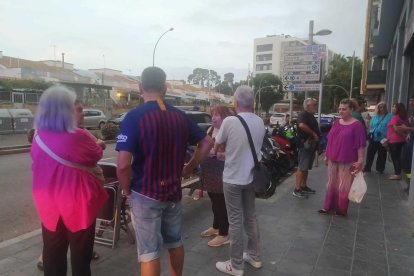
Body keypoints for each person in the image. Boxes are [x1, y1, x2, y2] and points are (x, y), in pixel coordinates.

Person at [116, 67, 213, 276]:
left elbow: (123, 164)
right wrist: (190, 167)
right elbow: (207, 142)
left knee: (149, 253)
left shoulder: (133, 117)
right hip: (173, 193)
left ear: (140, 88)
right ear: (165, 88)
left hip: (144, 192)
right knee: (175, 241)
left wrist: (125, 191)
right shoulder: (179, 116)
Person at [31, 86, 108, 276]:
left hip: (48, 203)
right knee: (80, 256)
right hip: (77, 203)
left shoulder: (38, 135)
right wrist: (97, 144)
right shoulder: (78, 135)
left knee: (52, 254)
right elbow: (95, 154)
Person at [215, 86, 264, 276]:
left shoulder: (230, 121)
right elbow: (249, 148)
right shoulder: (260, 122)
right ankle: (255, 256)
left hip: (232, 179)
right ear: (253, 103)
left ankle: (235, 265)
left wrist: (223, 154)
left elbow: (218, 143)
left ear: (235, 103)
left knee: (235, 222)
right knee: (251, 217)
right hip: (251, 178)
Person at [319, 99, 366, 216]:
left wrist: (360, 160)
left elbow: (361, 145)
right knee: (331, 183)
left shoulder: (357, 125)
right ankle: (327, 206)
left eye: (344, 109)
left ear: (351, 110)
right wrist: (326, 156)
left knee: (344, 185)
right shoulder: (336, 123)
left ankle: (341, 209)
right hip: (333, 157)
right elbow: (330, 141)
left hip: (348, 159)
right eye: (340, 109)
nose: (341, 111)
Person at [199, 105, 232, 247]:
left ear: (224, 116)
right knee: (213, 200)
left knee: (221, 202)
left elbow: (232, 154)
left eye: (217, 115)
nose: (213, 117)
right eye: (212, 114)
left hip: (221, 171)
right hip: (209, 171)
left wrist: (217, 154)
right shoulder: (210, 130)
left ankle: (224, 234)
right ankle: (216, 226)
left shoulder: (229, 131)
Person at [293, 98, 320, 198]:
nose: (316, 106)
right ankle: (297, 189)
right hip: (304, 145)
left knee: (306, 168)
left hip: (310, 145)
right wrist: (313, 133)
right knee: (302, 167)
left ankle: (303, 186)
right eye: (314, 104)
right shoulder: (303, 114)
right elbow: (301, 125)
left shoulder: (310, 115)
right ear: (308, 106)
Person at [363, 102, 391, 174]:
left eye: (384, 107)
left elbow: (391, 127)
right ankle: (367, 167)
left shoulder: (389, 116)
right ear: (378, 108)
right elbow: (371, 126)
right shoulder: (375, 116)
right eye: (380, 107)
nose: (382, 109)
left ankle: (380, 169)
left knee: (382, 154)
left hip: (383, 139)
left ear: (386, 108)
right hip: (374, 137)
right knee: (370, 153)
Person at [386, 103, 409, 180]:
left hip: (394, 140)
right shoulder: (405, 118)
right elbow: (406, 128)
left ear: (398, 109)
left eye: (394, 107)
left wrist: (403, 135)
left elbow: (395, 129)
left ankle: (397, 174)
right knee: (398, 157)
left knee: (395, 157)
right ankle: (397, 173)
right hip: (401, 141)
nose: (392, 109)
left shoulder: (395, 117)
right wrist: (404, 135)